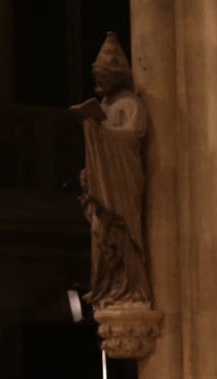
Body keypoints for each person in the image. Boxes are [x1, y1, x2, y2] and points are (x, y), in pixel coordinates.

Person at [70, 32, 151, 309]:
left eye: (102, 75)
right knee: (100, 231)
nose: (99, 81)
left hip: (122, 187)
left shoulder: (131, 105)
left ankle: (129, 288)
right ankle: (109, 288)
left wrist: (99, 131)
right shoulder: (106, 105)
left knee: (121, 232)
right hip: (104, 191)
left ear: (115, 75)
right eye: (96, 75)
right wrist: (91, 172)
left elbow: (132, 137)